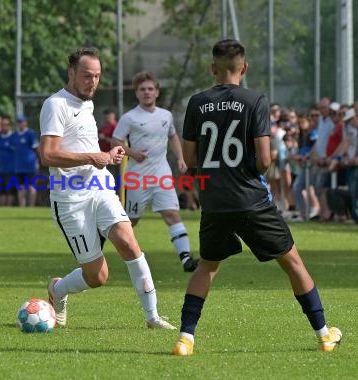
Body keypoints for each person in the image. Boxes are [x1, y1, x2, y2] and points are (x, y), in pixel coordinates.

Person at [171, 39, 342, 356]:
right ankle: (323, 334)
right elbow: (264, 160)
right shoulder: (255, 100)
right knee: (292, 262)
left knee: (207, 267)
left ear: (213, 68)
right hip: (250, 198)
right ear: (244, 68)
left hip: (214, 199)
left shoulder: (197, 102)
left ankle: (185, 338)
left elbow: (190, 159)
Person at [39, 47, 174, 329]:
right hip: (70, 199)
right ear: (71, 73)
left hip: (100, 188)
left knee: (128, 241)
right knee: (98, 276)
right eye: (87, 75)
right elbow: (48, 155)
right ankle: (58, 289)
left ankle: (152, 317)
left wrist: (109, 156)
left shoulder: (87, 104)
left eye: (98, 76)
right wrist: (94, 157)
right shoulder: (55, 105)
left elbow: (85, 147)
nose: (93, 82)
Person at [111, 71, 199, 272]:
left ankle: (185, 259)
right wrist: (132, 153)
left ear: (157, 92)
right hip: (137, 177)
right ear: (137, 93)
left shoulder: (165, 116)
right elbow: (115, 141)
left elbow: (173, 137)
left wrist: (180, 157)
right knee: (131, 221)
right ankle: (110, 252)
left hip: (162, 175)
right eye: (142, 89)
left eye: (150, 89)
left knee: (172, 214)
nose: (147, 92)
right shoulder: (129, 118)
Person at [13, 115, 39, 207]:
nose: (20, 124)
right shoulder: (14, 135)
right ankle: (22, 207)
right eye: (18, 122)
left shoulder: (30, 134)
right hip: (19, 167)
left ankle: (31, 206)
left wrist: (38, 161)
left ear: (25, 123)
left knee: (31, 187)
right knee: (21, 188)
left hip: (30, 166)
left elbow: (36, 148)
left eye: (21, 122)